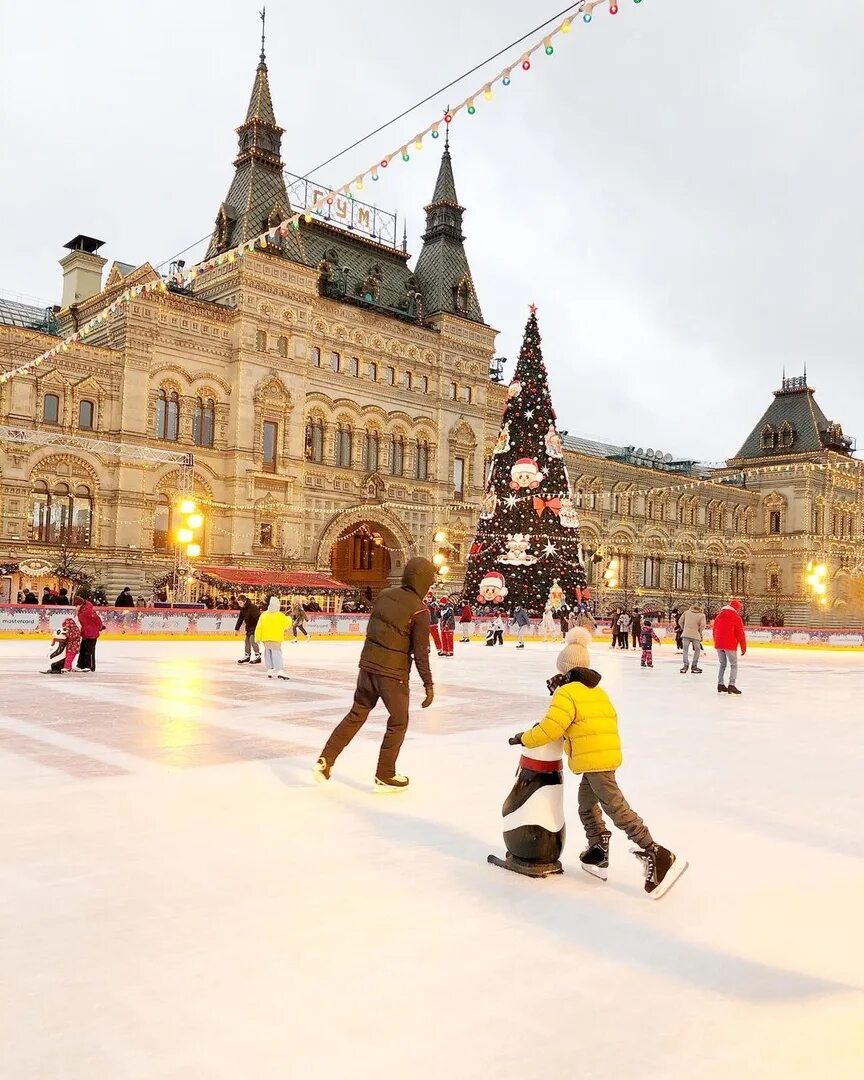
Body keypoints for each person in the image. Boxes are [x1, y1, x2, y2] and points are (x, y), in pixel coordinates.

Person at [508, 627, 686, 898]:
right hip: (603, 757)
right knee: (586, 806)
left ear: (565, 668)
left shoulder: (567, 694)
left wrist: (523, 738)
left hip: (595, 762)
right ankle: (597, 852)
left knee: (616, 808)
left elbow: (550, 729)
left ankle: (657, 853)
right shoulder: (596, 691)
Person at [314, 557, 436, 791]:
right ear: (421, 580)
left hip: (368, 667)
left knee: (356, 714)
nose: (430, 587)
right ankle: (385, 774)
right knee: (398, 723)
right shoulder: (420, 610)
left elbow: (375, 629)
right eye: (429, 582)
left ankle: (325, 760)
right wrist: (428, 685)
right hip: (393, 674)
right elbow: (421, 652)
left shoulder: (384, 595)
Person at [713, 598, 747, 695]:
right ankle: (731, 685)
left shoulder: (719, 616)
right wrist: (743, 647)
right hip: (730, 644)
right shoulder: (736, 617)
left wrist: (716, 642)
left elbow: (714, 630)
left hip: (719, 644)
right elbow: (740, 633)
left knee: (722, 664)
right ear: (737, 608)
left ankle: (720, 684)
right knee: (733, 665)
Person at [255, 597, 291, 680]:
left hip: (265, 638)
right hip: (276, 638)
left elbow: (258, 627)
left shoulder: (264, 615)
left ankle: (270, 669)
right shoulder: (279, 615)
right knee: (276, 653)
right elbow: (287, 624)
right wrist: (289, 618)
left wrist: (257, 638)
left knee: (268, 652)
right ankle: (279, 670)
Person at [75, 593, 105, 671]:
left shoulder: (88, 610)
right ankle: (80, 665)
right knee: (82, 649)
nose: (75, 607)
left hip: (91, 633)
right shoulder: (81, 610)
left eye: (76, 606)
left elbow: (96, 619)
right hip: (85, 632)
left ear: (80, 604)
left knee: (89, 650)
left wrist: (100, 626)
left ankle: (89, 666)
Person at [678, 603, 707, 675]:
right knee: (697, 650)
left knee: (685, 650)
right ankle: (694, 665)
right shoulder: (701, 615)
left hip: (686, 633)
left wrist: (684, 628)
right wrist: (699, 631)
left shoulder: (686, 612)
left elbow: (680, 621)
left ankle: (685, 665)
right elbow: (703, 625)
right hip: (695, 634)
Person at [235, 596, 262, 664]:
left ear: (245, 601)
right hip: (249, 627)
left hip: (255, 627)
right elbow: (240, 618)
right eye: (239, 603)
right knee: (247, 641)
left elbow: (259, 618)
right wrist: (237, 628)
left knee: (252, 640)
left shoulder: (253, 607)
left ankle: (258, 656)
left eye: (240, 603)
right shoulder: (243, 608)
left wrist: (259, 628)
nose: (239, 605)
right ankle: (247, 656)